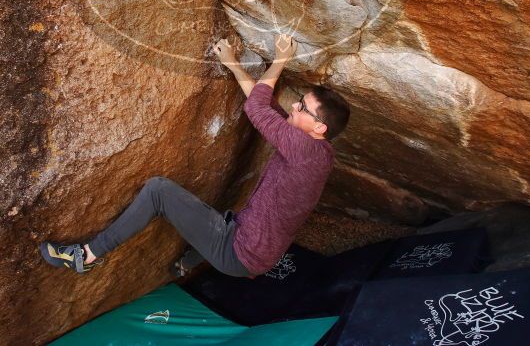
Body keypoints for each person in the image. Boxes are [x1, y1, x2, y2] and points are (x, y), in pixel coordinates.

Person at [39, 34, 350, 278]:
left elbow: (256, 108)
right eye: (298, 102)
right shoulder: (318, 150)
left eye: (303, 107)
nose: (295, 106)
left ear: (319, 127)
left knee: (158, 191)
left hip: (238, 252)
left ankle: (85, 256)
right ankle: (186, 265)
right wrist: (233, 64)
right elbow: (265, 106)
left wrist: (281, 60)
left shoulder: (303, 148)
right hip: (253, 244)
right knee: (224, 216)